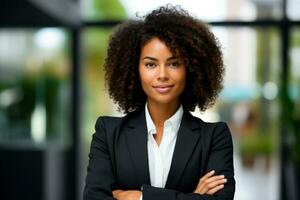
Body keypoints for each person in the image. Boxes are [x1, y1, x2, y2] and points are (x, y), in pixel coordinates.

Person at [83, 4, 235, 200]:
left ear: (190, 68)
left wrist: (140, 198)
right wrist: (193, 196)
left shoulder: (214, 137)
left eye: (173, 63)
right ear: (134, 69)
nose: (162, 74)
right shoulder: (108, 133)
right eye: (151, 64)